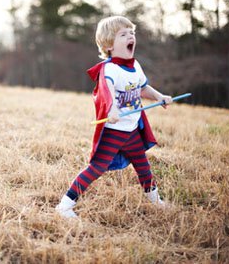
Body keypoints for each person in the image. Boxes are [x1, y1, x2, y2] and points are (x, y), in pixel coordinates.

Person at [55, 15, 173, 218]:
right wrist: (111, 110)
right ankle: (64, 205)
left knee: (143, 165)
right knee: (97, 167)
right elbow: (105, 90)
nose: (130, 37)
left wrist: (159, 96)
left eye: (132, 33)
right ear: (109, 44)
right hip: (114, 131)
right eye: (123, 34)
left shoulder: (135, 66)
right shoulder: (110, 69)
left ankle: (156, 201)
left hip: (132, 128)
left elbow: (143, 87)